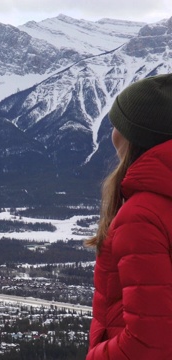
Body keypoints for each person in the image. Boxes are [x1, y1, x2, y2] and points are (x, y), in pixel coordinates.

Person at [87, 73, 172, 359]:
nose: (111, 132)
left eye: (116, 124)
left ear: (134, 136)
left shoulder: (141, 217)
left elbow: (147, 345)